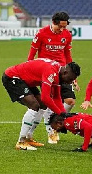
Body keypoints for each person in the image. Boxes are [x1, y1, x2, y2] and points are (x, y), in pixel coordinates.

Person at [2, 58, 80, 150]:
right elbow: (45, 97)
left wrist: (64, 114)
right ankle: (21, 142)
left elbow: (56, 97)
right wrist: (60, 113)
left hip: (25, 81)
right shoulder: (51, 71)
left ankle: (28, 138)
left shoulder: (58, 73)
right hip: (13, 77)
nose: (70, 82)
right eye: (70, 79)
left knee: (42, 105)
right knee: (34, 105)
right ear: (65, 73)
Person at [27, 11, 80, 144]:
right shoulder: (41, 33)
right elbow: (31, 55)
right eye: (60, 27)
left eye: (64, 26)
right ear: (53, 22)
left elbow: (67, 55)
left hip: (63, 73)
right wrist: (29, 73)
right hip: (46, 73)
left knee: (70, 101)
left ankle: (53, 122)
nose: (62, 29)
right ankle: (51, 131)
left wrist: (73, 77)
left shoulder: (67, 35)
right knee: (47, 102)